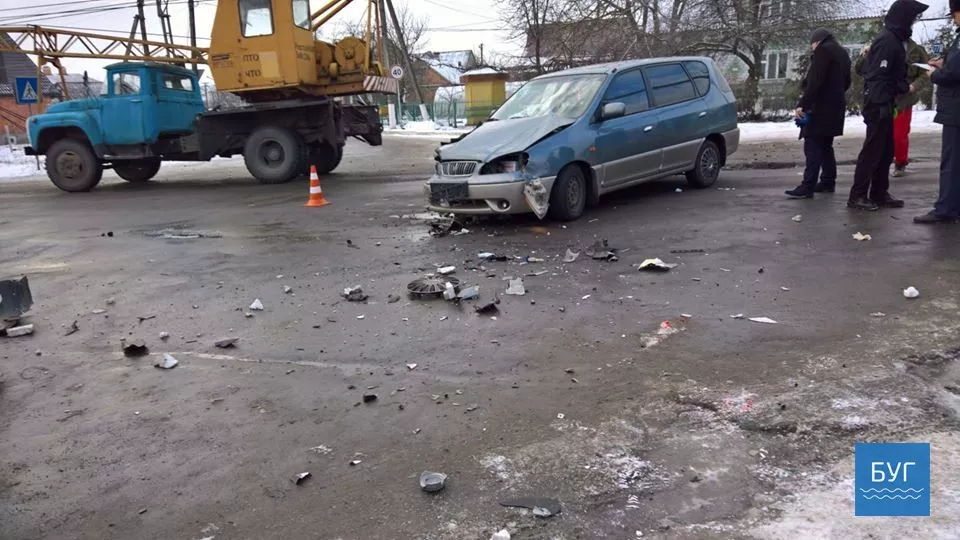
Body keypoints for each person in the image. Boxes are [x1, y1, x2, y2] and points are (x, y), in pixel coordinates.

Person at [849, 0, 929, 211]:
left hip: (887, 102)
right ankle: (857, 196)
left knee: (886, 151)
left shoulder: (894, 39)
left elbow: (893, 75)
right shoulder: (886, 41)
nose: (913, 22)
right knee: (872, 151)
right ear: (903, 18)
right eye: (912, 18)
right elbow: (877, 76)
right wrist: (887, 98)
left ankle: (879, 192)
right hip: (878, 104)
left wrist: (900, 88)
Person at [785, 28, 852, 199]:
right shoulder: (842, 53)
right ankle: (828, 181)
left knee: (813, 145)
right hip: (835, 107)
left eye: (812, 45)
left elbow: (815, 81)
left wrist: (803, 104)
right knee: (825, 146)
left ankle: (808, 185)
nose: (812, 49)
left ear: (817, 42)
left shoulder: (823, 51)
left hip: (820, 107)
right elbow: (847, 82)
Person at [855, 39, 930, 177]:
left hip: (904, 99)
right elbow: (860, 69)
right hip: (882, 98)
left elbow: (926, 72)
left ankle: (900, 162)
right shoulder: (881, 46)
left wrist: (914, 86)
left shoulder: (916, 50)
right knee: (878, 134)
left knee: (899, 134)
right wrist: (865, 54)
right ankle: (877, 164)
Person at [915, 0, 960, 224]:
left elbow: (954, 73)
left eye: (955, 13)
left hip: (956, 110)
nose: (952, 18)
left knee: (951, 162)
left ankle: (946, 209)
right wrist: (944, 63)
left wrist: (934, 74)